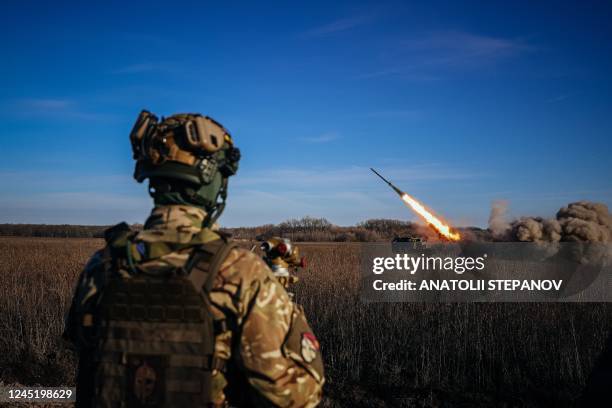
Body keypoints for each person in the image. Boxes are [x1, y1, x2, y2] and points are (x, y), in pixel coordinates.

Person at [64, 111, 324, 407]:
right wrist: (289, 311)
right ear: (213, 182)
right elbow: (296, 396)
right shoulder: (241, 272)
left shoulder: (103, 264)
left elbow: (86, 355)